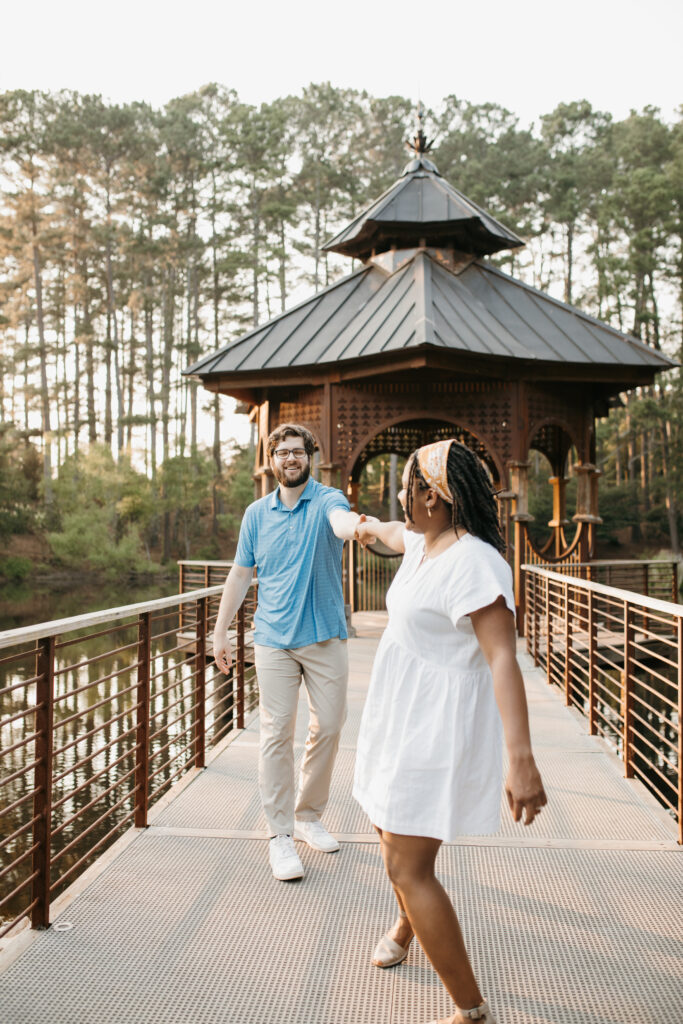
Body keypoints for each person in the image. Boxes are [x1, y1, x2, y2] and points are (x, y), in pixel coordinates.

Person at [353, 439, 547, 1024]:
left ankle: (470, 1009)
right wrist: (352, 523)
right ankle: (407, 926)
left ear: (435, 499)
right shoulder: (421, 541)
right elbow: (386, 532)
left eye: (409, 488)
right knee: (390, 837)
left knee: (407, 866)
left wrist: (521, 759)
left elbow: (503, 659)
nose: (401, 498)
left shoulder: (475, 564)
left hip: (435, 729)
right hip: (398, 716)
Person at [213, 423, 369, 882]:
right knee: (277, 732)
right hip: (273, 640)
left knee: (330, 725)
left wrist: (357, 528)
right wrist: (221, 632)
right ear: (271, 460)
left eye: (297, 452)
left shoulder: (327, 500)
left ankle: (308, 815)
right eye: (281, 452)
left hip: (324, 636)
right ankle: (280, 835)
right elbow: (240, 576)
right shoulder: (256, 515)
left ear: (310, 457)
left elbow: (341, 522)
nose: (290, 459)